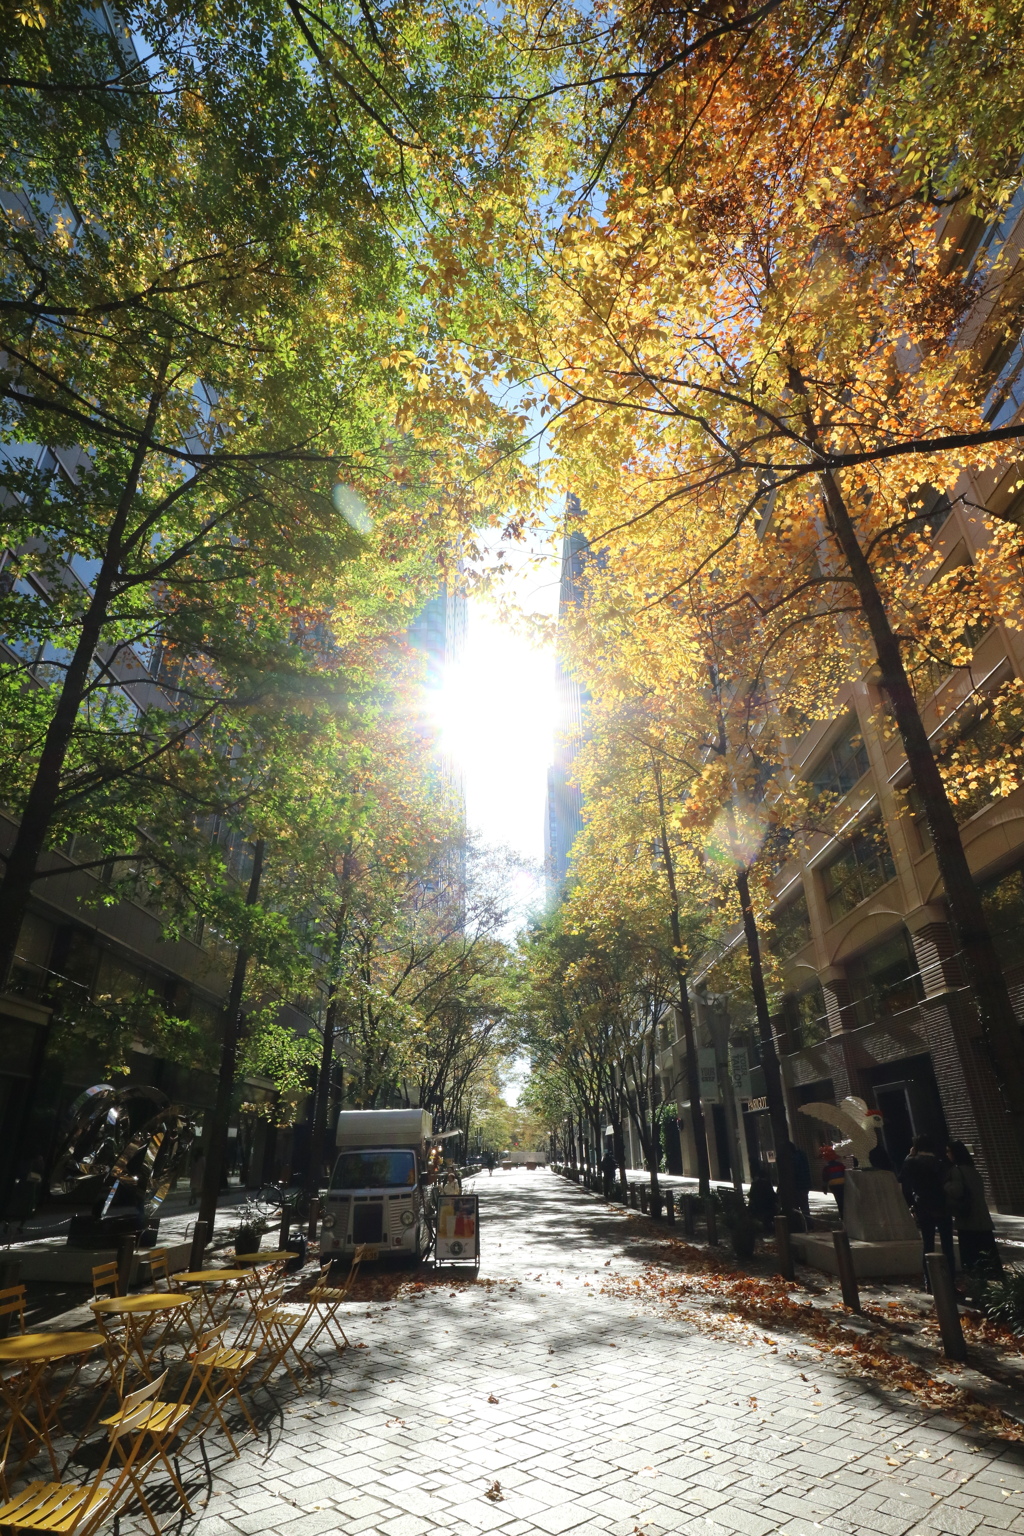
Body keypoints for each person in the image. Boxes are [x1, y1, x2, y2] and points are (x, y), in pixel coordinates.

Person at [899, 1133, 954, 1288]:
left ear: (916, 1147)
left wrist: (909, 1156)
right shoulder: (940, 1162)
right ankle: (950, 1279)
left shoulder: (911, 1162)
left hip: (922, 1205)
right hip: (942, 1205)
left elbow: (903, 1182)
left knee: (928, 1243)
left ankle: (929, 1281)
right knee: (947, 1243)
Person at [945, 1140, 1002, 1278]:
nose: (947, 1154)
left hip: (967, 1219)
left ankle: (976, 1283)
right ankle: (996, 1279)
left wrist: (945, 1185)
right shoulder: (974, 1170)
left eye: (948, 1151)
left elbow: (957, 1191)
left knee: (971, 1255)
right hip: (983, 1218)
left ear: (954, 1153)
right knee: (988, 1253)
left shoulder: (956, 1171)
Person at [783, 1141, 811, 1226]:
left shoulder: (792, 1158)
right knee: (804, 1205)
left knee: (797, 1206)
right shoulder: (802, 1155)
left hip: (797, 1185)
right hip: (804, 1184)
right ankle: (808, 1223)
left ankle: (801, 1224)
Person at [747, 1165, 778, 1233]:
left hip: (756, 1207)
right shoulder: (767, 1184)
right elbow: (772, 1196)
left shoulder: (754, 1184)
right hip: (767, 1207)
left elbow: (750, 1195)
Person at [820, 1144, 846, 1216]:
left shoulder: (826, 1168)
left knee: (838, 1199)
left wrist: (824, 1188)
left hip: (833, 1185)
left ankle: (842, 1213)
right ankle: (846, 1211)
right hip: (842, 1183)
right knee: (844, 1198)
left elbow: (825, 1178)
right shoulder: (840, 1165)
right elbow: (845, 1173)